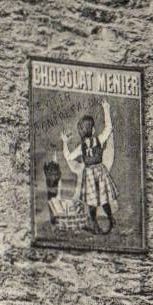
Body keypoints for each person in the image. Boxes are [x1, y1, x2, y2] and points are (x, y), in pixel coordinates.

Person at [62, 100, 119, 235]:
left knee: (92, 202)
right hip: (100, 171)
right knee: (104, 199)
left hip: (89, 174)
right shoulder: (99, 139)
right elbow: (109, 128)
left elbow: (68, 157)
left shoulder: (81, 147)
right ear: (93, 130)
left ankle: (96, 224)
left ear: (81, 133)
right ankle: (110, 219)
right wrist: (106, 108)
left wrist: (64, 143)